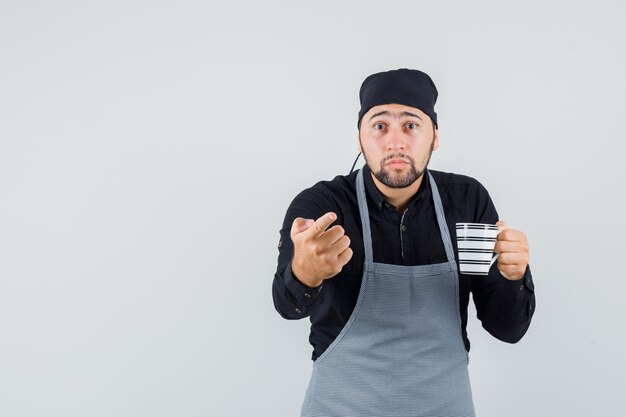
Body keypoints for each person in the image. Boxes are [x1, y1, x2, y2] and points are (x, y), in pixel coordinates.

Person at [271, 68, 536, 417]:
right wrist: (304, 272)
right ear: (360, 139)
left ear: (434, 137)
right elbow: (288, 307)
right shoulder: (322, 208)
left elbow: (507, 329)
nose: (395, 142)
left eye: (411, 125)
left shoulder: (468, 202)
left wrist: (514, 277)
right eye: (379, 126)